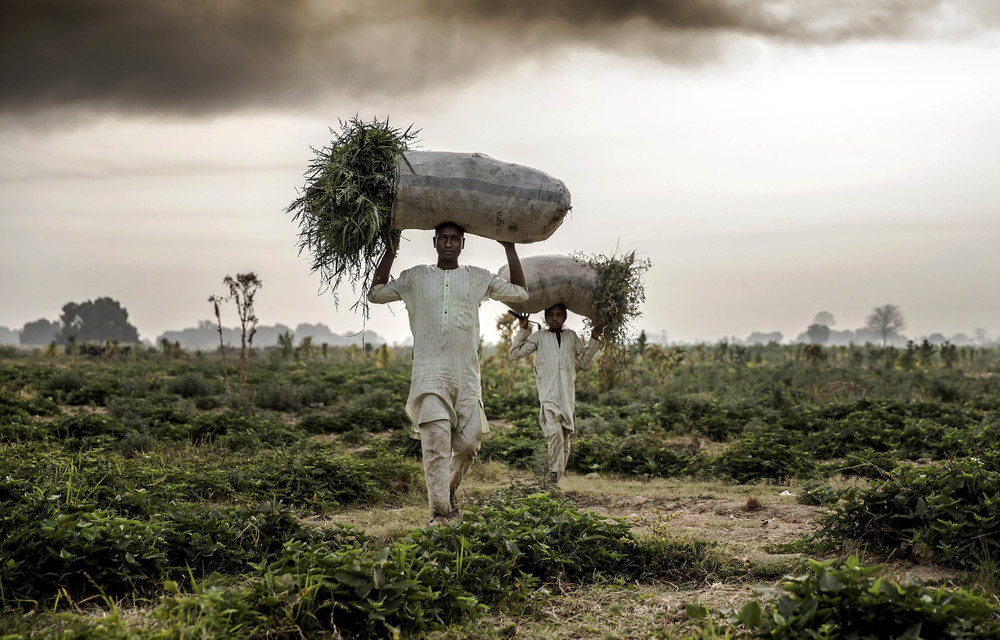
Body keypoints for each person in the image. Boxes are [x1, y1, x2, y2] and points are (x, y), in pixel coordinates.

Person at [367, 222, 528, 524]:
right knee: (436, 447)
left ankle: (448, 492)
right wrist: (391, 247)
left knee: (469, 444)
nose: (449, 244)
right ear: (435, 241)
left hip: (466, 379)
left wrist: (510, 248)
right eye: (444, 238)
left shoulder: (478, 278)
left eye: (455, 239)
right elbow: (375, 293)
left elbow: (520, 293)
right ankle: (440, 516)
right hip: (429, 378)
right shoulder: (414, 277)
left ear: (463, 243)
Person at [509, 303, 603, 483]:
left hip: (567, 397)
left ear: (564, 317)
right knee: (555, 434)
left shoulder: (571, 337)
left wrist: (594, 337)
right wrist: (523, 330)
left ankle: (555, 481)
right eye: (550, 315)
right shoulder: (539, 337)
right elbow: (514, 354)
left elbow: (583, 361)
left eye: (559, 315)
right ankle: (553, 475)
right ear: (545, 317)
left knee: (565, 440)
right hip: (548, 396)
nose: (554, 319)